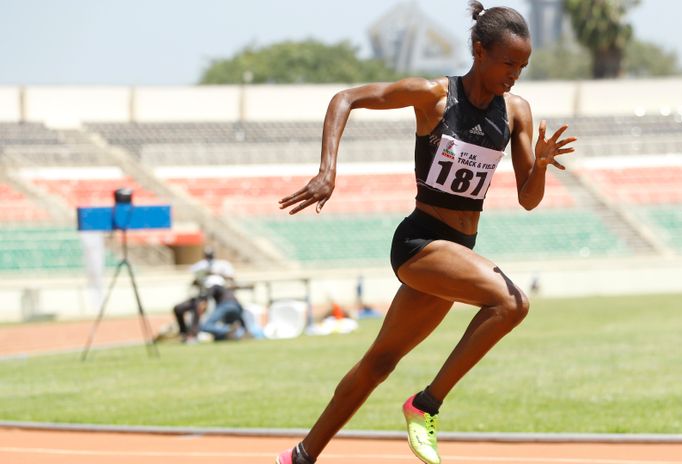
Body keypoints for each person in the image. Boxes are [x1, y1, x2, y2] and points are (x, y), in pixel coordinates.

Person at [276, 2, 575, 463]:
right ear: (478, 50)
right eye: (508, 63)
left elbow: (527, 199)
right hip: (419, 242)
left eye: (523, 66)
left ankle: (299, 456)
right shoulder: (434, 95)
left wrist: (541, 165)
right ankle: (426, 404)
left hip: (456, 251)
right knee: (512, 302)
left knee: (379, 362)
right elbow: (345, 98)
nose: (515, 75)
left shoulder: (517, 113)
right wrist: (327, 172)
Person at [172, 246, 236, 343]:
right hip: (201, 293)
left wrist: (216, 274)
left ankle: (193, 335)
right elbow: (195, 281)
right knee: (178, 308)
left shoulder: (222, 265)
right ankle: (184, 333)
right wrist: (200, 278)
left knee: (199, 307)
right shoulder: (200, 266)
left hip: (213, 296)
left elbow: (231, 278)